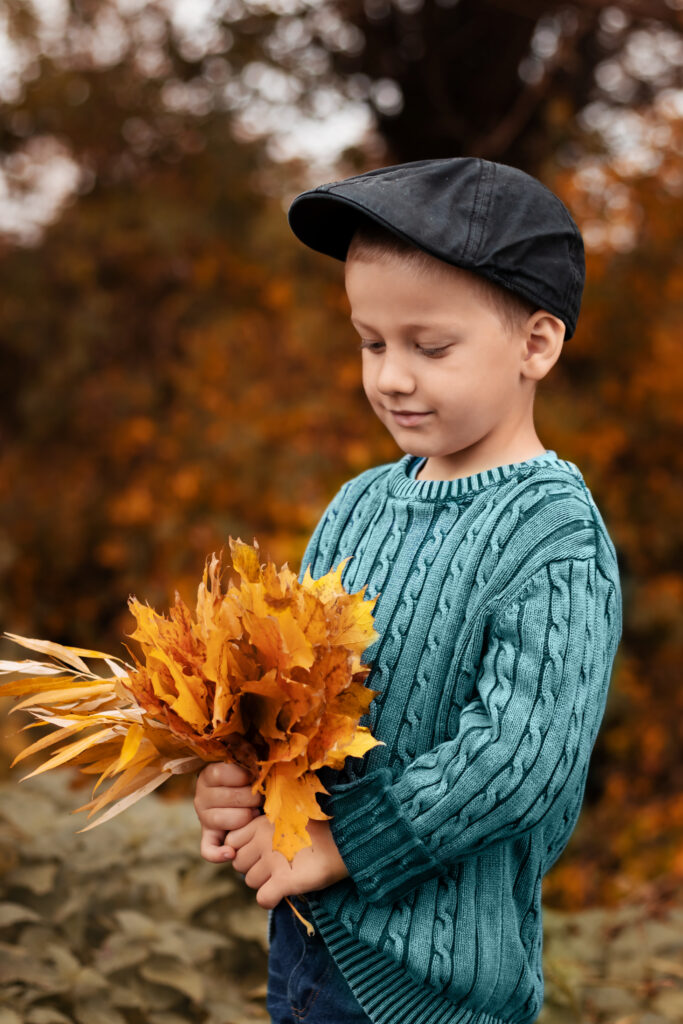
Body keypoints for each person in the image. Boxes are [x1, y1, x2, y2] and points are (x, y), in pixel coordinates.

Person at [193, 157, 623, 1024]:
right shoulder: (359, 505)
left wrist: (340, 843)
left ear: (535, 345)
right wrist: (237, 778)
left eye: (430, 348)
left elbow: (520, 758)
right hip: (309, 946)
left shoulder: (554, 535)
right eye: (371, 342)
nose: (391, 376)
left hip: (435, 985)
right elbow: (292, 690)